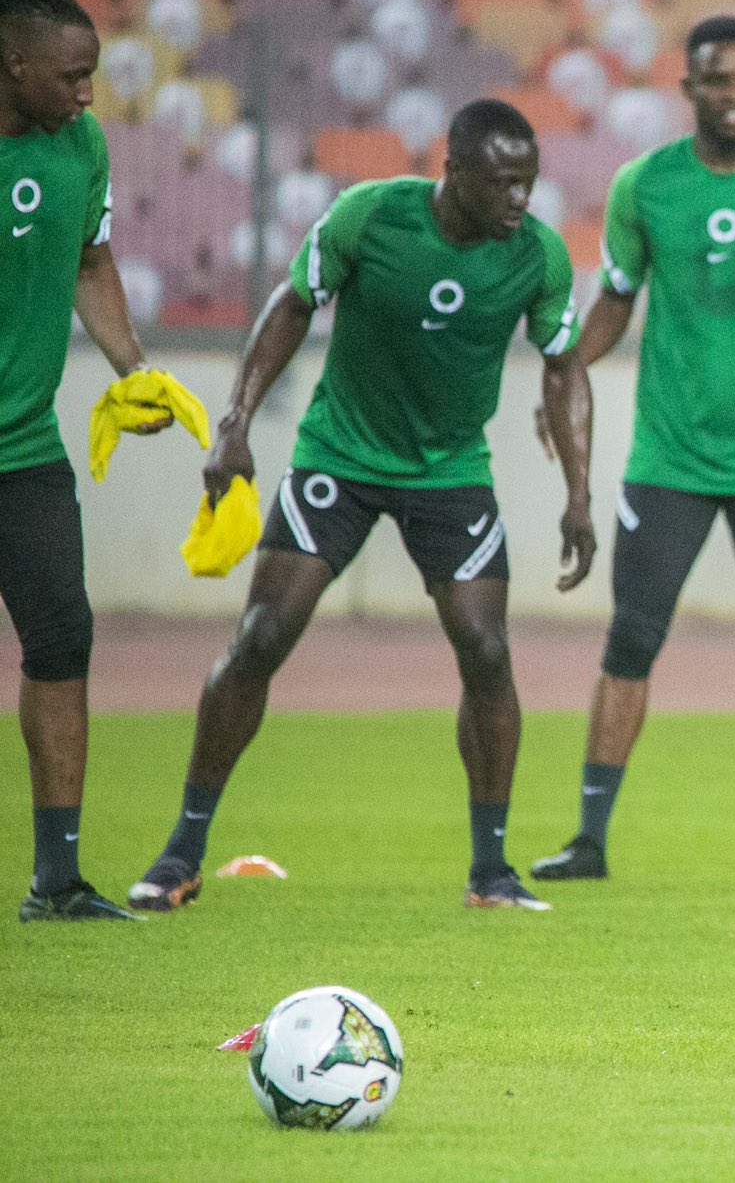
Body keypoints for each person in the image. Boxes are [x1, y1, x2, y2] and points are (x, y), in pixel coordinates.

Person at [128, 99, 595, 914]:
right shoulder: (370, 217)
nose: (521, 200)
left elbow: (564, 367)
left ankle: (491, 871)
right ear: (451, 171)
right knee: (261, 636)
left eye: (530, 182)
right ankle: (180, 852)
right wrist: (234, 424)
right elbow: (292, 304)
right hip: (338, 457)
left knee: (486, 652)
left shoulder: (537, 258)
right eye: (504, 183)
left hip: (450, 469)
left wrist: (579, 491)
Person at [532, 16, 735, 885]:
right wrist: (568, 370)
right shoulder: (645, 186)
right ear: (688, 89)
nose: (733, 95)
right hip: (669, 458)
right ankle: (590, 840)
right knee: (630, 640)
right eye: (716, 81)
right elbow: (613, 298)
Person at [1, 0, 192, 921]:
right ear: (14, 62)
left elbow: (89, 260)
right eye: (73, 75)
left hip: (24, 446)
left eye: (95, 75)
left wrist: (130, 369)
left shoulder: (80, 145)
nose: (88, 94)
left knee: (64, 637)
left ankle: (58, 880)